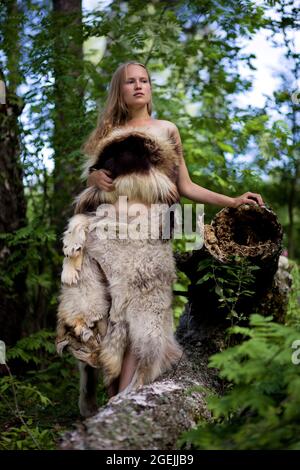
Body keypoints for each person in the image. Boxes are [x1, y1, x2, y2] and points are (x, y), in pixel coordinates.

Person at [82, 61, 264, 400]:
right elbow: (93, 189)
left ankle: (126, 398)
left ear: (151, 88)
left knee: (145, 312)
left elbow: (186, 186)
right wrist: (93, 178)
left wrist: (234, 200)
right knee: (113, 316)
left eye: (144, 80)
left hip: (152, 234)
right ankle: (112, 398)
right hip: (111, 233)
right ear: (118, 91)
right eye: (130, 82)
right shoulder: (107, 135)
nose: (139, 86)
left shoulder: (166, 129)